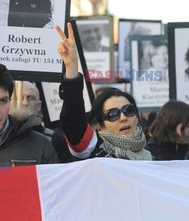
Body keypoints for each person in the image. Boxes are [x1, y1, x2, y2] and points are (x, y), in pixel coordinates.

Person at [57, 23, 152, 160]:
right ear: (100, 125)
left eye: (129, 110)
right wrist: (71, 67)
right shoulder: (94, 148)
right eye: (113, 114)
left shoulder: (150, 157)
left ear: (136, 117)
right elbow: (73, 122)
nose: (123, 118)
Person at [15, 81, 74, 163]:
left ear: (39, 105)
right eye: (19, 98)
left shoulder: (54, 140)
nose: (25, 103)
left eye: (30, 98)